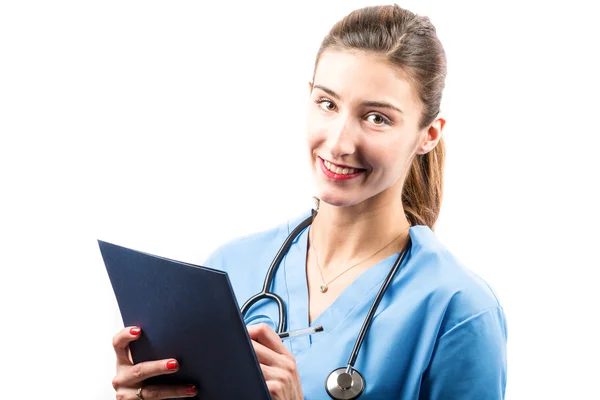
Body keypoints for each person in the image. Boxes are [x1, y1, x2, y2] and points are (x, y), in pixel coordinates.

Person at [110, 4, 507, 399]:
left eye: (377, 118)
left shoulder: (457, 309)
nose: (338, 143)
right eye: (328, 104)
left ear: (429, 134)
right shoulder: (228, 270)